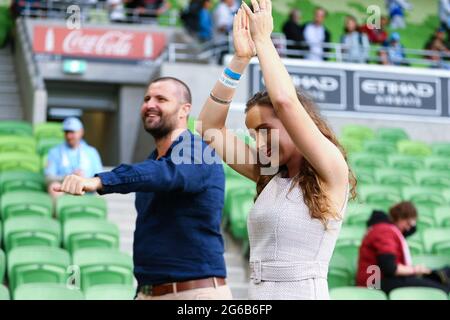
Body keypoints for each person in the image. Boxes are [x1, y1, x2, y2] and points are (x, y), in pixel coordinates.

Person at [197, 0, 356, 300]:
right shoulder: (269, 171)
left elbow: (284, 100)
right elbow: (208, 128)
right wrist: (240, 60)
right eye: (252, 134)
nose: (258, 143)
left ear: (295, 123)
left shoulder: (331, 169)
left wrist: (262, 40)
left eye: (265, 131)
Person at [56, 77, 232, 300]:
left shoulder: (198, 150)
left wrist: (100, 180)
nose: (150, 104)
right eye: (147, 98)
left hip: (194, 293)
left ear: (183, 110)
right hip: (149, 291)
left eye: (161, 99)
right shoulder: (154, 161)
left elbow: (166, 174)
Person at [357, 202, 450, 295]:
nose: (408, 228)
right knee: (440, 289)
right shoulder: (384, 231)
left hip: (381, 280)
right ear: (400, 218)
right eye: (408, 223)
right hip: (375, 282)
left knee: (442, 276)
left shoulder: (387, 229)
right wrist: (415, 270)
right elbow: (390, 267)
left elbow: (409, 232)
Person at [45, 117, 103, 199]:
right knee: (53, 187)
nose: (69, 136)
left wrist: (84, 180)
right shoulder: (54, 152)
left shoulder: (91, 152)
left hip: (87, 188)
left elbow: (100, 177)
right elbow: (48, 177)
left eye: (72, 132)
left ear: (81, 132)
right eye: (66, 132)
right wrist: (69, 177)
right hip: (65, 188)